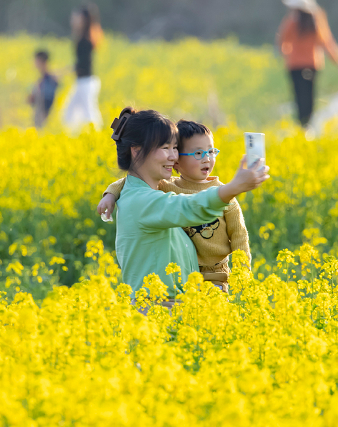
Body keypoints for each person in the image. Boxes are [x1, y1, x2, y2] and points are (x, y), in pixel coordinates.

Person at [104, 107, 268, 300]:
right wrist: (233, 188)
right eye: (166, 148)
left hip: (192, 297)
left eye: (175, 148)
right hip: (157, 311)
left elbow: (239, 238)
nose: (174, 157)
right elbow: (187, 207)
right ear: (137, 151)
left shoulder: (147, 192)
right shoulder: (143, 200)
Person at [276, 0, 338, 129]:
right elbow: (326, 42)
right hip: (312, 64)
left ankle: (302, 125)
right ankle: (308, 124)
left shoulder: (292, 21)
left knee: (299, 96)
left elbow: (282, 40)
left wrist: (286, 53)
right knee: (310, 96)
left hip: (295, 65)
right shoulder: (316, 20)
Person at [60, 2, 104, 133]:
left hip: (85, 82)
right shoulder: (84, 38)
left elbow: (82, 64)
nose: (72, 20)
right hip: (83, 82)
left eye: (76, 17)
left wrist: (62, 72)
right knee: (71, 114)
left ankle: (98, 137)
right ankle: (78, 138)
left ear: (83, 20)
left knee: (88, 114)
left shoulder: (85, 41)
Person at [27, 49, 59, 128]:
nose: (34, 63)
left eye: (36, 60)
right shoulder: (42, 79)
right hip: (40, 116)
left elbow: (47, 100)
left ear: (42, 61)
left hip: (43, 117)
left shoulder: (49, 79)